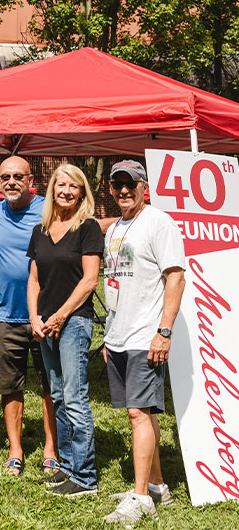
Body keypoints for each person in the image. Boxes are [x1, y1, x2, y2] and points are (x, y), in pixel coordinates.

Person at [102, 161, 185, 525]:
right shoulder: (115, 229)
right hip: (119, 334)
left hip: (146, 334)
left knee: (138, 413)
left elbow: (177, 278)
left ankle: (139, 499)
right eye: (117, 184)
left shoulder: (158, 222)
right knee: (140, 414)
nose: (123, 190)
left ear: (144, 187)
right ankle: (157, 489)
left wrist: (164, 331)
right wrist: (108, 334)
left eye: (130, 184)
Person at [0, 156, 57, 476]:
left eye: (17, 177)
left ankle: (51, 448)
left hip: (46, 315)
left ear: (30, 179)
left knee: (50, 385)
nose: (11, 182)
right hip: (7, 315)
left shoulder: (49, 209)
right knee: (10, 386)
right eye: (5, 177)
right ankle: (16, 449)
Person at [26, 163, 104, 496]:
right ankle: (68, 466)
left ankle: (85, 477)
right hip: (45, 324)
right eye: (61, 185)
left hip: (73, 322)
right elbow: (33, 280)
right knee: (57, 396)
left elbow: (90, 280)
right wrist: (35, 318)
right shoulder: (41, 229)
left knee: (75, 398)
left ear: (82, 191)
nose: (67, 191)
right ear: (52, 190)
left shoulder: (88, 227)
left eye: (74, 186)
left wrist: (59, 315)